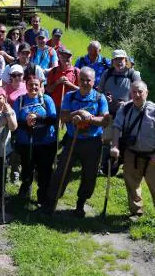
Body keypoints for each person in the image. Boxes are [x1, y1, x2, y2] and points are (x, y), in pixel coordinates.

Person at [109, 81, 155, 232]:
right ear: (130, 93)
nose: (137, 95)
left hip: (153, 157)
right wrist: (115, 145)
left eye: (140, 92)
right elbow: (117, 127)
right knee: (132, 185)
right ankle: (136, 211)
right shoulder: (125, 109)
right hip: (132, 155)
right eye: (134, 92)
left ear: (146, 93)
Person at [46, 67, 110, 217]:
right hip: (72, 140)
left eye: (89, 80)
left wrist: (90, 118)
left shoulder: (100, 98)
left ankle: (80, 204)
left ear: (94, 81)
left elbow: (105, 120)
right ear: (78, 80)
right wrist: (78, 113)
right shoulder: (70, 96)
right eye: (82, 79)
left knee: (89, 174)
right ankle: (51, 202)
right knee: (61, 171)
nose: (85, 82)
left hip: (93, 142)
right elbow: (63, 115)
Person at [13, 76, 57, 205]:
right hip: (26, 142)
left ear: (40, 86)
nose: (33, 87)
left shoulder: (47, 99)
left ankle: (43, 196)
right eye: (30, 85)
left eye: (36, 85)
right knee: (27, 168)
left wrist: (37, 118)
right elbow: (14, 122)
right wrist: (26, 123)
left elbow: (52, 119)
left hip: (46, 142)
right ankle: (24, 191)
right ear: (26, 85)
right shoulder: (20, 100)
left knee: (44, 170)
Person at [99, 49, 141, 118]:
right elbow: (99, 92)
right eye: (116, 59)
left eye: (121, 59)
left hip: (126, 114)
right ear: (112, 61)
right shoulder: (107, 73)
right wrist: (104, 98)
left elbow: (140, 96)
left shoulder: (133, 75)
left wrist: (127, 104)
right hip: (106, 113)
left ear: (126, 60)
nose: (118, 62)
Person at [45, 48, 80, 113]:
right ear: (59, 57)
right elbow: (48, 90)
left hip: (71, 106)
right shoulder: (53, 71)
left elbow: (81, 90)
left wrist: (69, 84)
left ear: (71, 58)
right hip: (55, 106)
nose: (65, 59)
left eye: (68, 57)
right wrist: (57, 82)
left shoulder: (77, 72)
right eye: (63, 56)